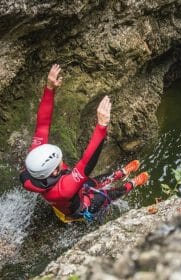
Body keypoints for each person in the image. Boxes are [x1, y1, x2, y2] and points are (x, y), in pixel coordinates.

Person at [20, 64, 149, 223]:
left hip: (70, 192)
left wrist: (49, 88)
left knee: (95, 181)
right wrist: (101, 125)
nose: (62, 160)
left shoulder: (34, 164)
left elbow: (42, 125)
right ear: (54, 172)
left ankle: (119, 174)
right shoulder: (64, 189)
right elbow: (87, 163)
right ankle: (131, 185)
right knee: (107, 196)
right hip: (78, 207)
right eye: (59, 161)